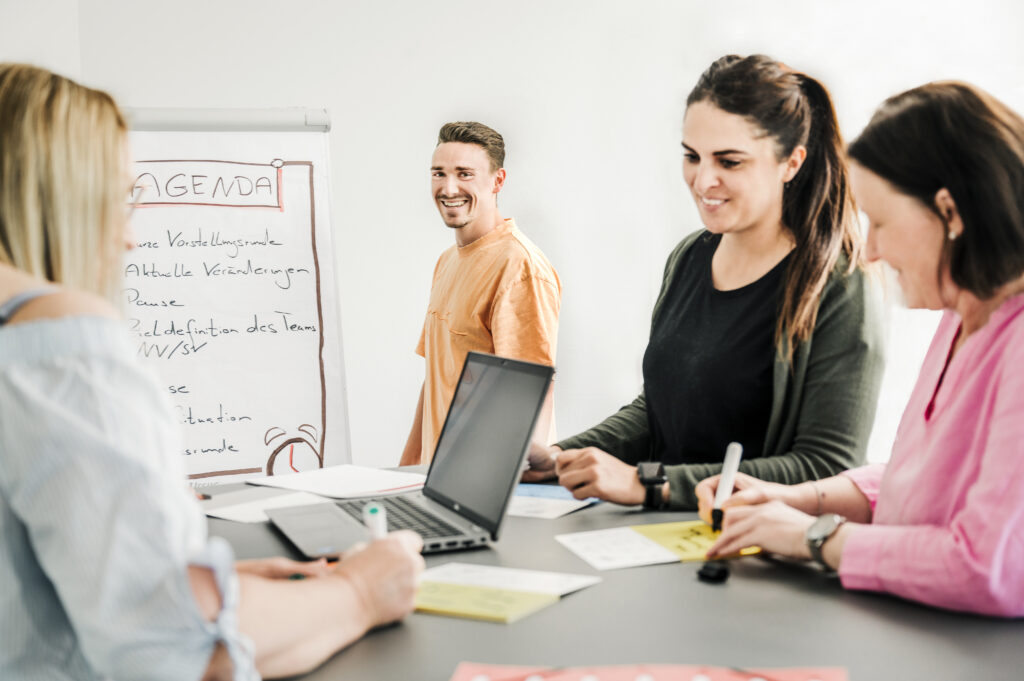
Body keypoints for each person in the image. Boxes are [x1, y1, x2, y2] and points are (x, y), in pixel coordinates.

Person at [0, 63, 424, 680]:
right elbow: (177, 657)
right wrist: (359, 591)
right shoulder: (64, 351)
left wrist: (206, 590)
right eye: (119, 202)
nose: (129, 240)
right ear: (60, 203)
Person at [698, 81, 1024, 617]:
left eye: (882, 221)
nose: (869, 250)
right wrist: (795, 500)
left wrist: (816, 536)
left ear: (951, 213)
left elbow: (989, 566)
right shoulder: (962, 314)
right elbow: (917, 482)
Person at [527, 55, 885, 510]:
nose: (703, 181)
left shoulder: (838, 284)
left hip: (750, 548)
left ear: (791, 162)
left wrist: (650, 484)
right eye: (691, 156)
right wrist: (562, 457)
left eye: (729, 162)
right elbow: (662, 410)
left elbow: (825, 467)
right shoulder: (690, 257)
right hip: (650, 532)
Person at [400, 122, 561, 465]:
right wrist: (405, 471)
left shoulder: (519, 267)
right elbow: (433, 384)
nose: (449, 187)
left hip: (479, 484)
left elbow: (530, 397)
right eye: (439, 173)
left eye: (464, 174)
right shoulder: (446, 263)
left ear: (497, 180)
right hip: (434, 478)